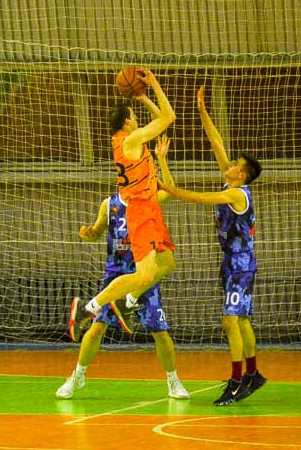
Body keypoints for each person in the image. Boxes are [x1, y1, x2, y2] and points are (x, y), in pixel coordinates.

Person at [58, 136, 189, 400]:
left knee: (159, 331)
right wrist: (89, 232)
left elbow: (172, 188)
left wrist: (161, 158)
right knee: (97, 329)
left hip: (144, 276)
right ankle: (77, 376)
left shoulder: (148, 200)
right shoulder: (109, 204)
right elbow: (97, 232)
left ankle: (173, 381)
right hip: (117, 273)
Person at [158, 85, 264, 406]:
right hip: (233, 261)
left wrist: (172, 191)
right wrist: (202, 110)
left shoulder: (235, 193)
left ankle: (235, 382)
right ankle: (252, 374)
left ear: (242, 174)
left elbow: (203, 198)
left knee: (230, 320)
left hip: (241, 262)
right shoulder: (231, 180)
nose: (228, 163)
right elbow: (216, 141)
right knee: (241, 319)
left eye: (234, 164)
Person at [69, 68, 177, 341]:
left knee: (167, 263)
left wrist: (141, 98)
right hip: (140, 210)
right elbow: (168, 117)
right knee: (144, 275)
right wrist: (152, 84)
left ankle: (127, 300)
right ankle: (90, 306)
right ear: (128, 122)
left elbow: (158, 118)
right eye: (134, 114)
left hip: (148, 207)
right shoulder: (131, 140)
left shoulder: (129, 140)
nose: (138, 119)